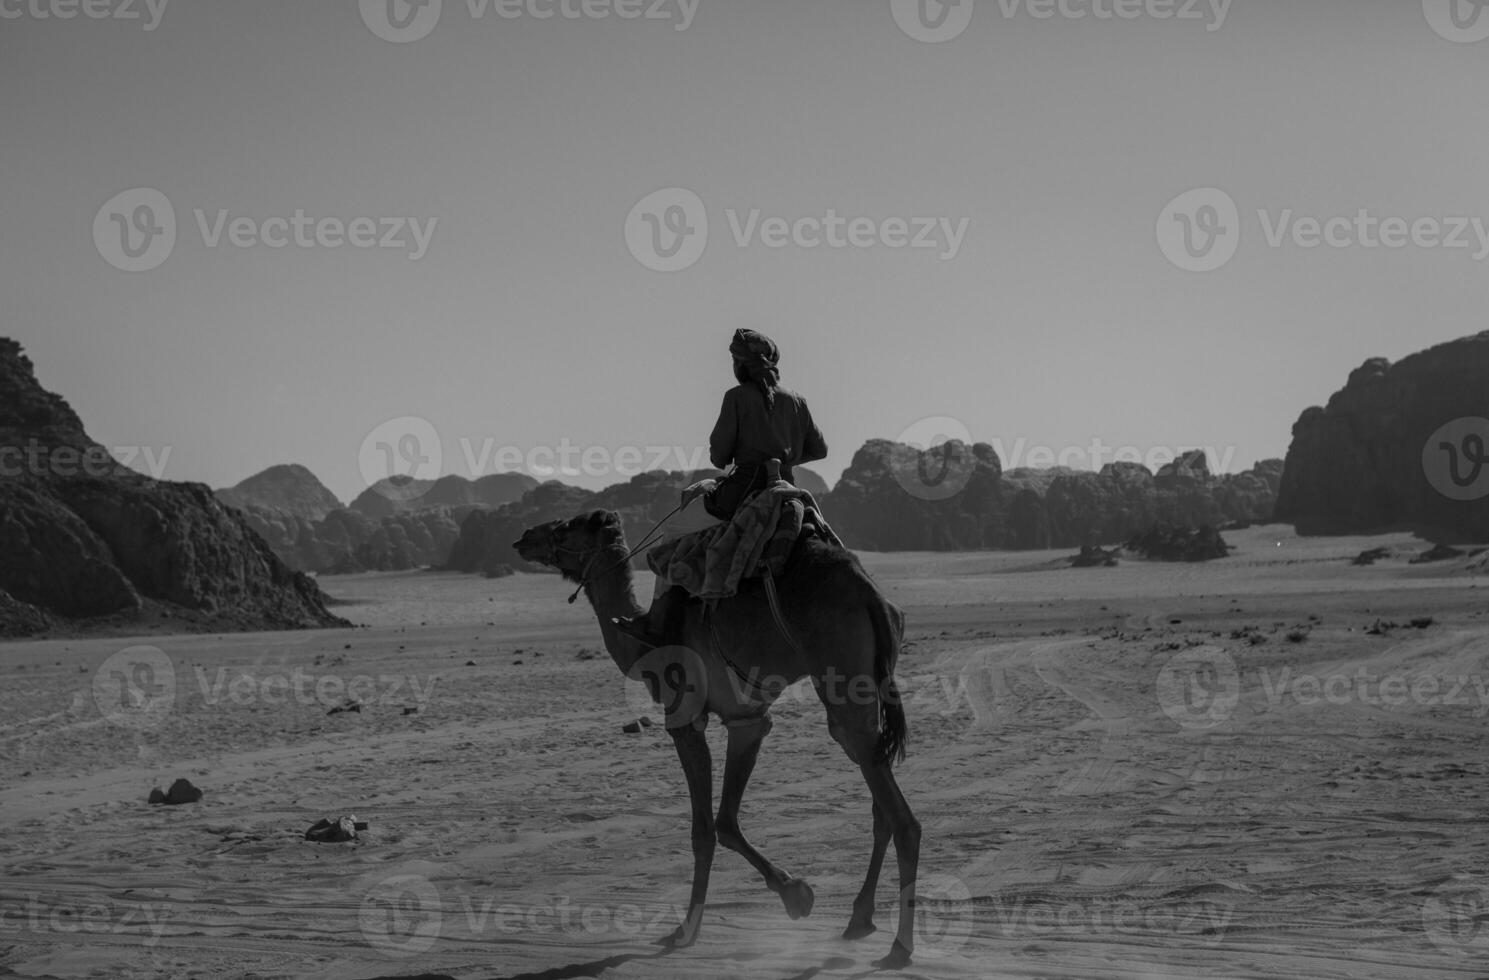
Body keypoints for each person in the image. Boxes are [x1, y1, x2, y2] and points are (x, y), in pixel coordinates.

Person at [613, 329, 827, 648]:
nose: (732, 366)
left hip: (741, 493)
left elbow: (719, 455)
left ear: (742, 364)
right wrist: (789, 456)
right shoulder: (797, 401)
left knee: (673, 528)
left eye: (734, 359)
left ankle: (658, 622)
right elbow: (820, 450)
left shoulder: (736, 397)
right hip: (789, 491)